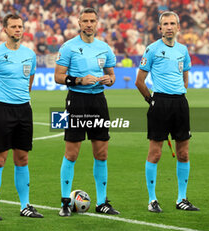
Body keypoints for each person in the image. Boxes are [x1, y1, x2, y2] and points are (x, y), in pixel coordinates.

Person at [54, 7, 120, 217]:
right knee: (72, 153)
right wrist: (79, 80)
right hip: (77, 101)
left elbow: (112, 75)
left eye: (92, 21)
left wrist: (109, 80)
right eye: (85, 21)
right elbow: (58, 76)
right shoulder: (68, 47)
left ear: (97, 23)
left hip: (99, 101)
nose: (89, 24)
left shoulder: (105, 48)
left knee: (101, 153)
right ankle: (65, 201)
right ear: (79, 23)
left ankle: (102, 202)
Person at [135, 11, 200, 213]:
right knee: (155, 153)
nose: (169, 27)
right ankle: (152, 199)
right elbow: (139, 81)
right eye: (166, 24)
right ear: (160, 28)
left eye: (173, 23)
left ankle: (182, 198)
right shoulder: (152, 49)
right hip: (160, 102)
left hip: (180, 103)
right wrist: (151, 100)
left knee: (184, 153)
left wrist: (181, 91)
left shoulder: (183, 50)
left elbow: (185, 75)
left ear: (178, 27)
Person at [0, 14, 43, 220]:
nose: (18, 29)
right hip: (2, 110)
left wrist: (22, 100)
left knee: (23, 158)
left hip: (24, 110)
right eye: (13, 26)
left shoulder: (29, 54)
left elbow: (29, 81)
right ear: (5, 29)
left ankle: (25, 205)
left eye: (20, 26)